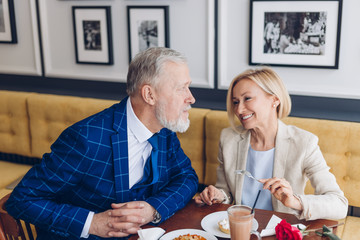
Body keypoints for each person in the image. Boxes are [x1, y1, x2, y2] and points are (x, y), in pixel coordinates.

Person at [6, 47, 199, 239]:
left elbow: (187, 178)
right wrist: (91, 223)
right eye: (181, 88)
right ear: (149, 95)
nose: (191, 97)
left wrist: (153, 209)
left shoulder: (164, 130)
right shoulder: (86, 139)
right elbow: (22, 199)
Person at [195, 67, 348, 220]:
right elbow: (226, 192)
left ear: (274, 100)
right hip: (240, 225)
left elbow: (339, 204)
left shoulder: (304, 143)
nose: (239, 110)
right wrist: (217, 195)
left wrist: (295, 201)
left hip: (280, 230)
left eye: (247, 98)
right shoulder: (228, 139)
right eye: (235, 102)